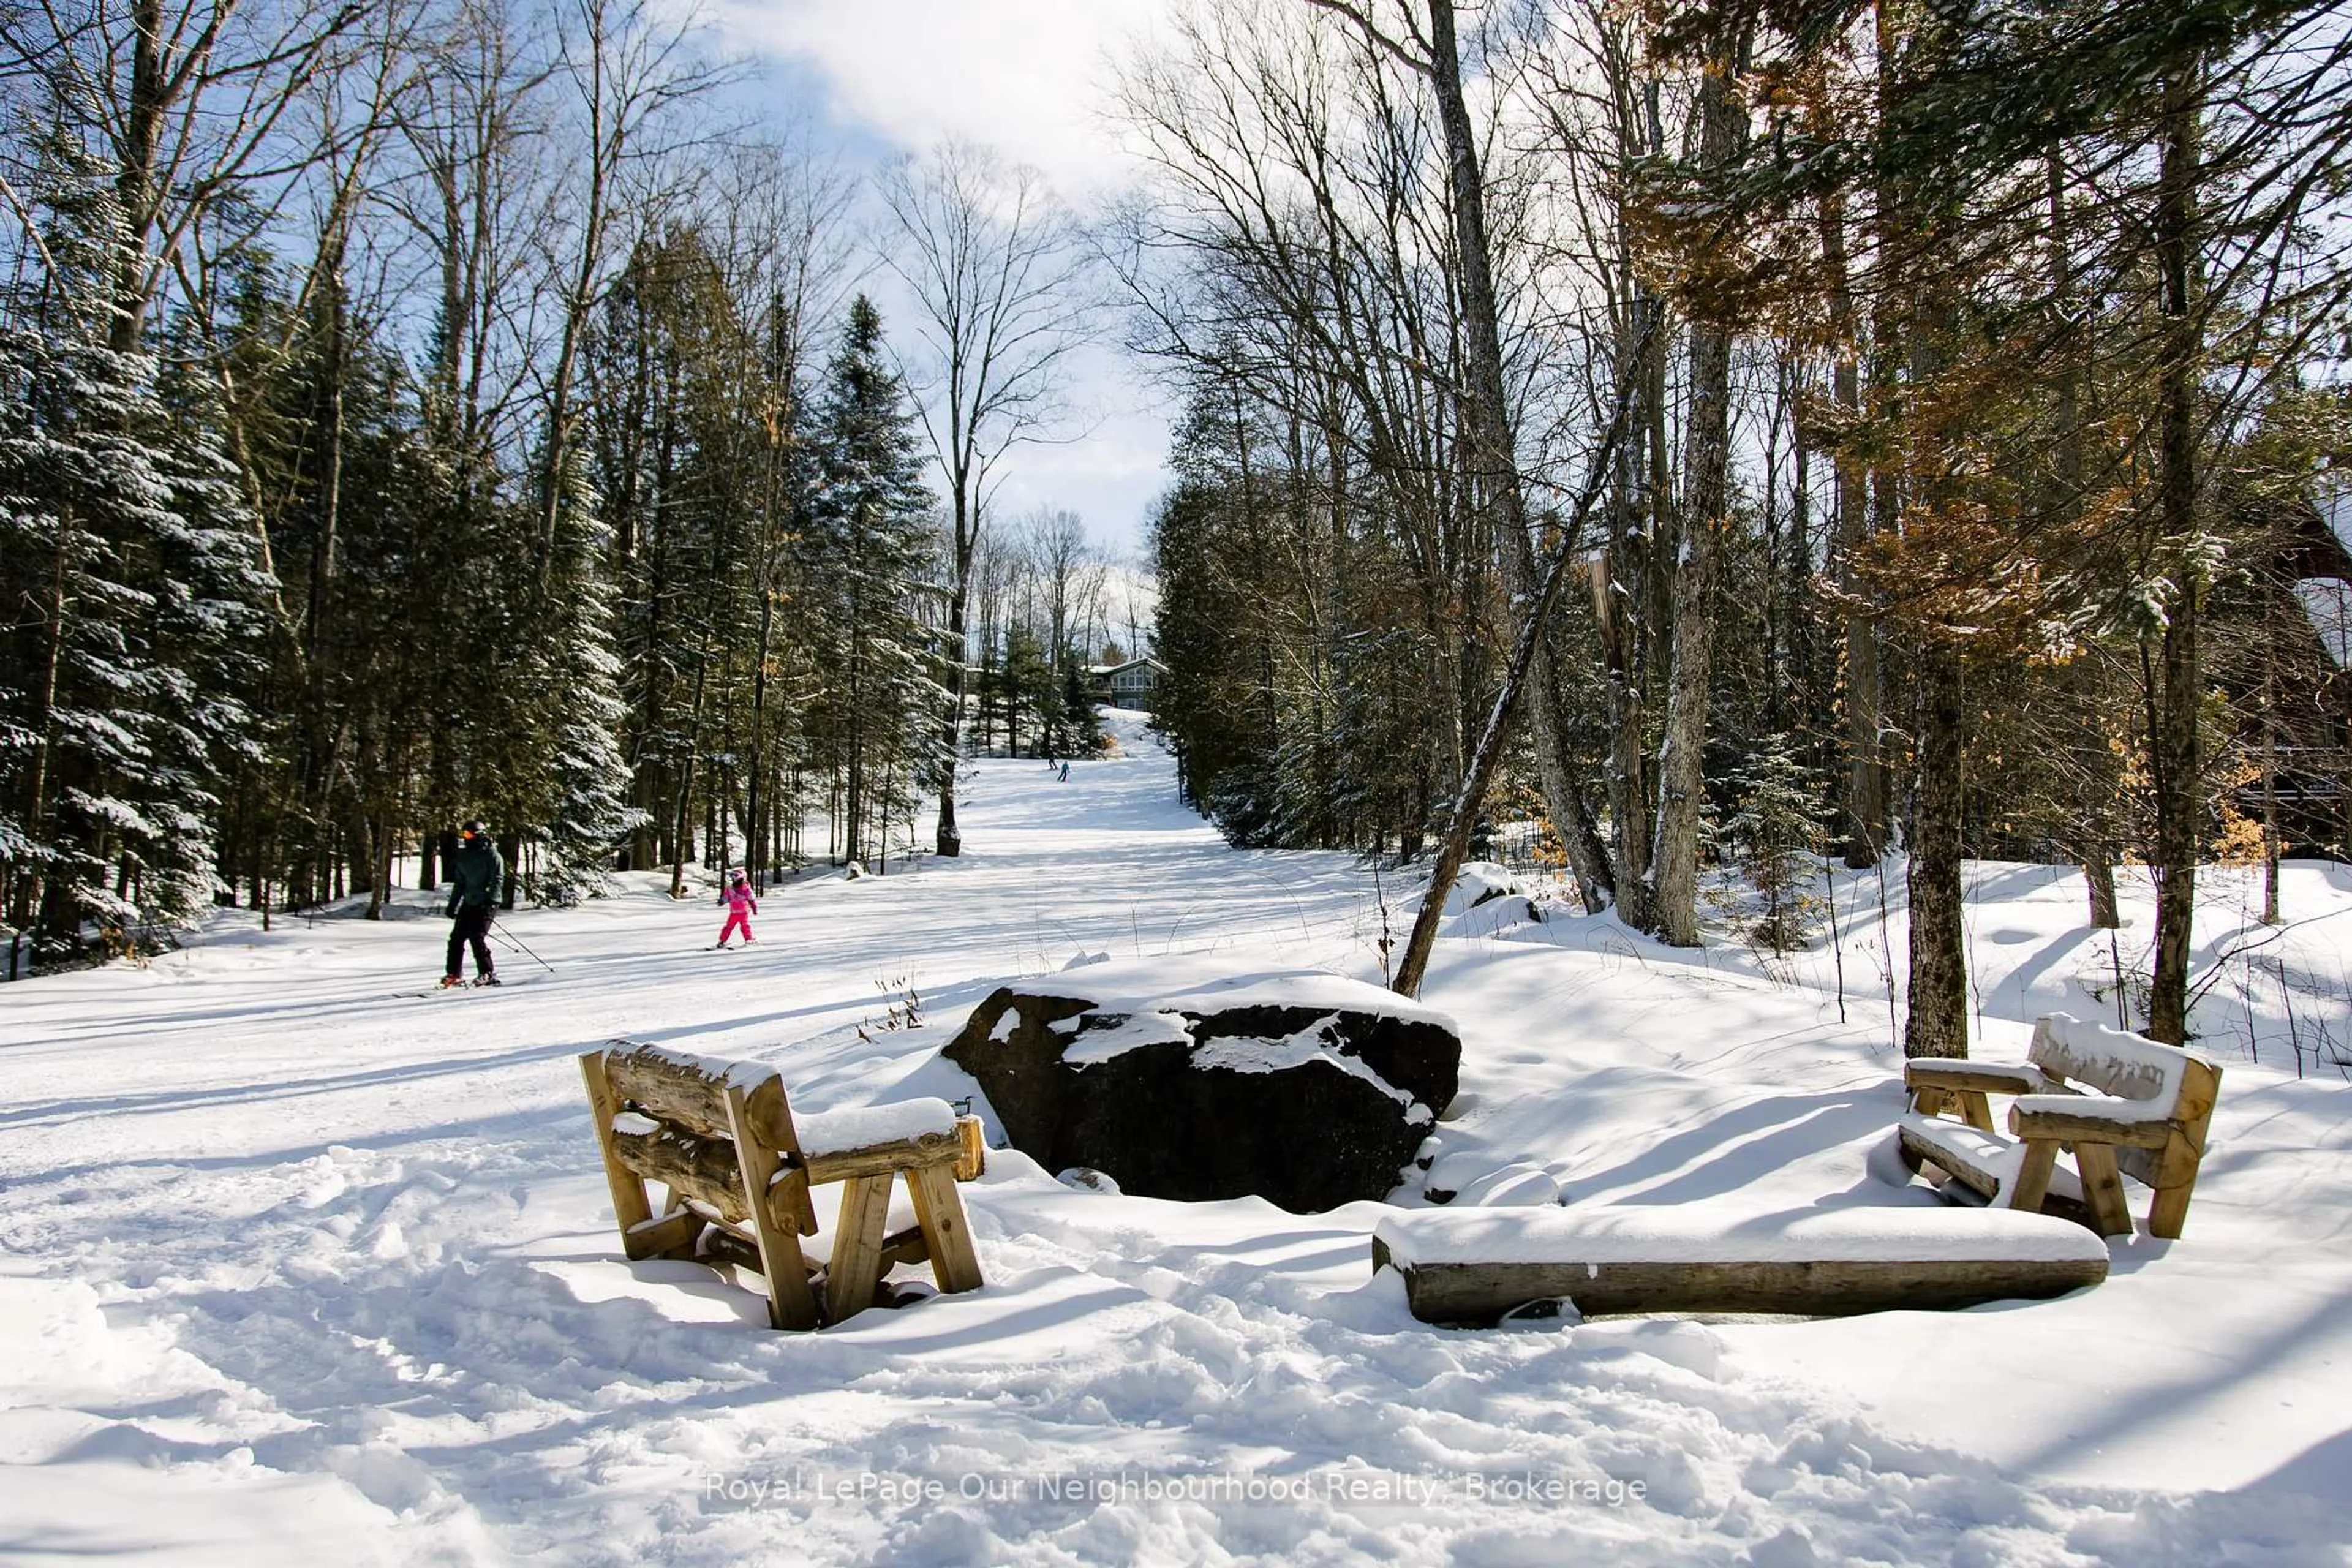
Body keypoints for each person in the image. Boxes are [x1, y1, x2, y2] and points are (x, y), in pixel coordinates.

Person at [442, 821, 504, 987]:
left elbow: (497, 879)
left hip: (487, 903)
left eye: (469, 834)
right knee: (456, 938)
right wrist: (452, 905)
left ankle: (487, 973)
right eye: (464, 835)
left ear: (479, 835)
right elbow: (460, 884)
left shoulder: (492, 855)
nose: (466, 838)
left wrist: (490, 899)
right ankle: (454, 974)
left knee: (477, 937)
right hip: (469, 902)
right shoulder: (464, 856)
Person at [716, 869, 759, 948]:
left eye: (735, 877)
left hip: (744, 912)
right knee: (729, 927)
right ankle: (722, 941)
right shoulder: (730, 888)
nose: (733, 879)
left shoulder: (746, 888)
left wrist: (754, 907)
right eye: (732, 877)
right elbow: (727, 897)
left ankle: (748, 939)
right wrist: (722, 901)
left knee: (745, 926)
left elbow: (751, 898)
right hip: (734, 912)